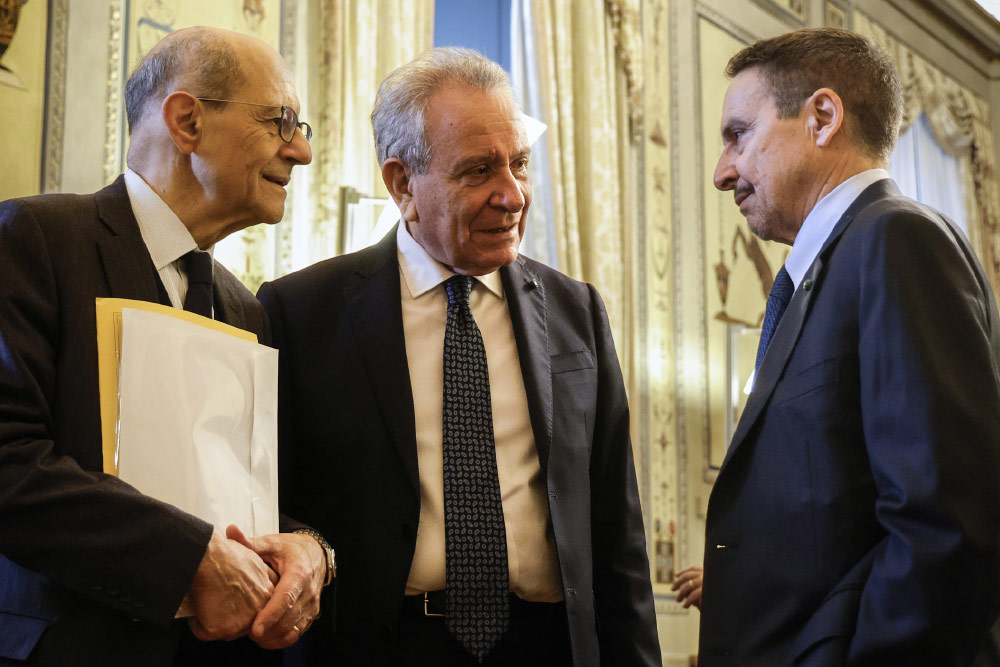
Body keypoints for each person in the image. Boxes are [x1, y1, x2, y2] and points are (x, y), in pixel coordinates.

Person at [256, 47, 660, 666]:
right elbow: (269, 501)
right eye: (478, 171)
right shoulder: (302, 312)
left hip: (547, 645)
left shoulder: (576, 310)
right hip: (379, 648)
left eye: (519, 164)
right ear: (402, 183)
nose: (513, 196)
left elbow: (615, 526)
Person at [0, 26, 332, 666]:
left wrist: (307, 548)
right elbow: (8, 460)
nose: (302, 151)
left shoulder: (245, 309)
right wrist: (188, 558)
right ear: (187, 122)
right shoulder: (35, 240)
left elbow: (236, 496)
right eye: (282, 121)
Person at [702, 27, 1000, 666]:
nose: (723, 172)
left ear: (822, 117)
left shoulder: (898, 240)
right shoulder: (832, 266)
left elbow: (946, 524)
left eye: (738, 135)